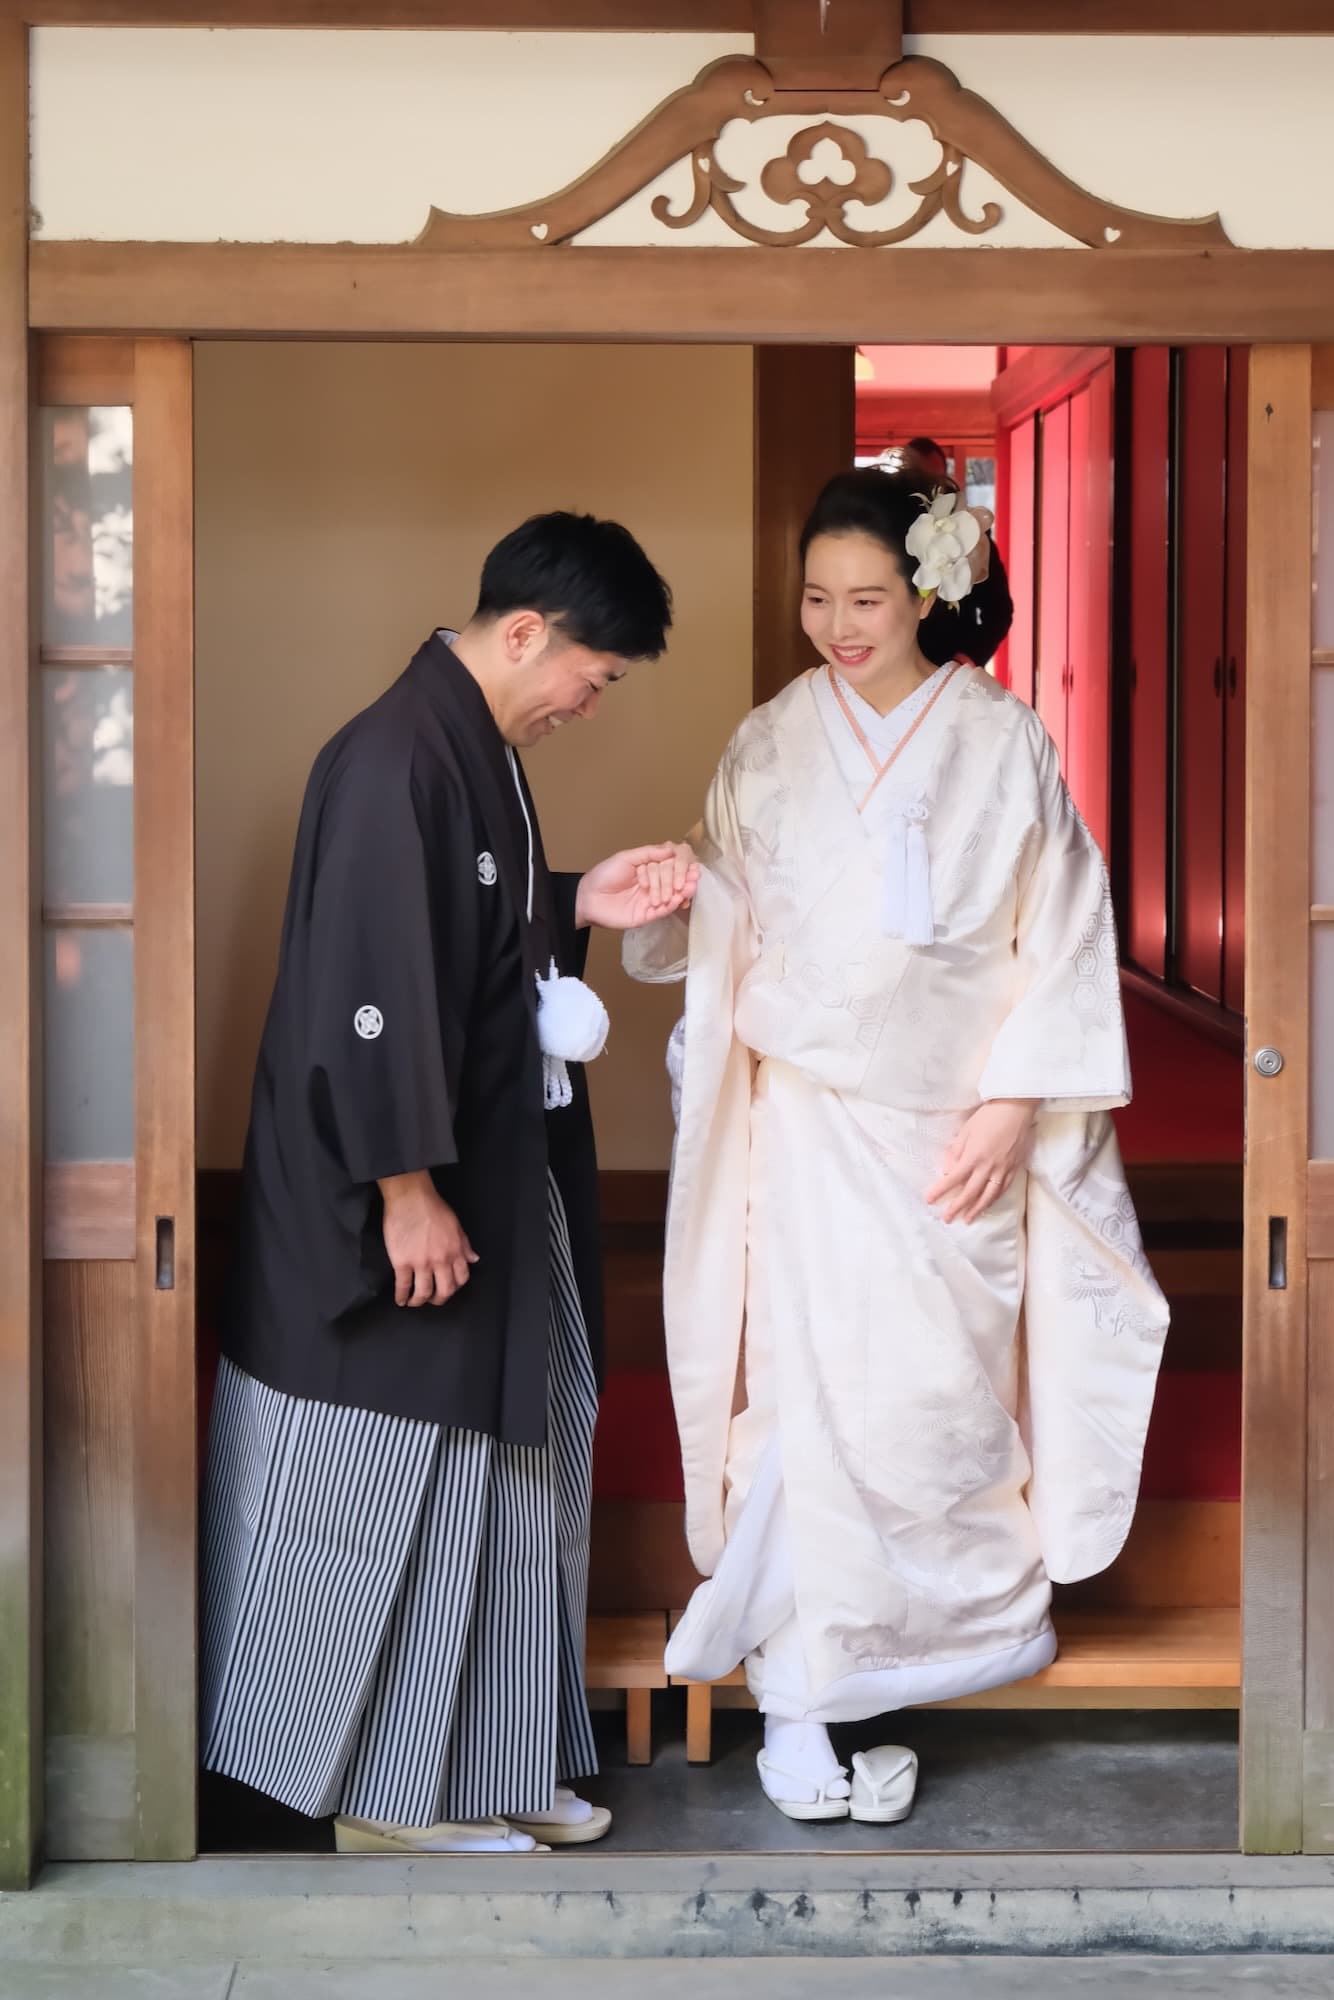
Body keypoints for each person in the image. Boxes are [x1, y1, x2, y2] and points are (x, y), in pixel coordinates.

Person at [626, 468, 1168, 1826]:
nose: (836, 625)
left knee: (931, 1399)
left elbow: (1061, 934)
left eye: (865, 598)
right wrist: (679, 896)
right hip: (807, 1125)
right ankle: (801, 1704)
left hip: (952, 1132)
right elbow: (727, 908)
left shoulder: (1002, 740)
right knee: (807, 1398)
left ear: (926, 592)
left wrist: (1010, 1103)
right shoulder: (768, 740)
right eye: (815, 598)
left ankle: (908, 1657)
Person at [202, 511, 698, 1856]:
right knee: (385, 1488)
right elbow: (365, 993)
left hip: (485, 1173)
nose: (586, 707)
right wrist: (405, 1189)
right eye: (589, 681)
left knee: (508, 1474)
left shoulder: (467, 742)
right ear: (526, 632)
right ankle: (382, 1797)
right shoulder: (391, 758)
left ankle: (491, 1762)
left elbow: (463, 919)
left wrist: (579, 900)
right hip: (397, 1201)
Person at [895, 437, 1013, 669]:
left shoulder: (971, 533)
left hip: (948, 665)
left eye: (934, 480)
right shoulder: (887, 529)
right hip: (892, 664)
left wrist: (965, 659)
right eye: (915, 478)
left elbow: (998, 610)